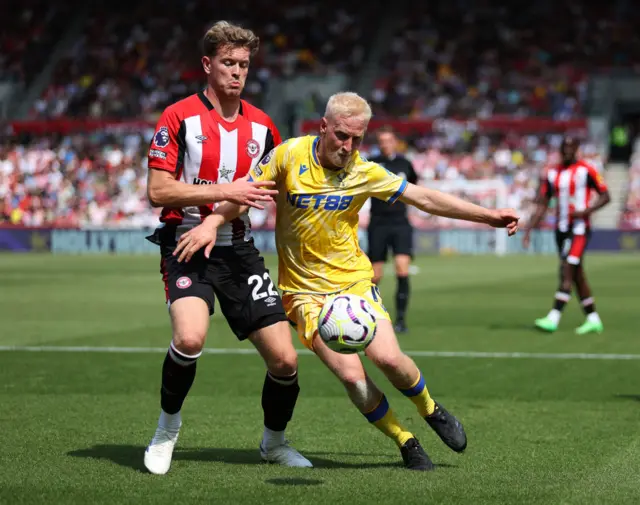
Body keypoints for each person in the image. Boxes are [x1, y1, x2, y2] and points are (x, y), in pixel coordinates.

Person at [173, 92, 519, 471]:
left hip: (353, 282)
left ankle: (430, 408)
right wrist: (211, 222)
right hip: (304, 294)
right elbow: (246, 193)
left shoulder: (364, 171)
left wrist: (488, 216)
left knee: (388, 358)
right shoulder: (289, 155)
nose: (348, 146)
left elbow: (425, 198)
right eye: (341, 136)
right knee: (353, 378)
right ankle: (405, 440)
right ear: (323, 127)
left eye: (357, 138)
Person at [143, 20, 312, 475]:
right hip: (184, 246)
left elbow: (255, 194)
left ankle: (274, 443)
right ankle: (166, 429)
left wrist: (220, 214)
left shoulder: (262, 127)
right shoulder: (178, 117)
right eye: (228, 63)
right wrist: (222, 191)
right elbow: (159, 191)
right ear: (207, 64)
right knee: (190, 337)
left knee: (285, 359)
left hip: (237, 250)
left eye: (243, 64)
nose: (237, 72)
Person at [523, 136, 610, 334]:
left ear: (577, 149)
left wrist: (586, 211)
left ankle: (554, 317)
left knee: (567, 268)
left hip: (579, 228)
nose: (567, 151)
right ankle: (593, 319)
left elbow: (606, 196)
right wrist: (529, 229)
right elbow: (543, 203)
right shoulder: (552, 173)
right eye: (564, 147)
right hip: (560, 229)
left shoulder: (587, 170)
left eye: (571, 147)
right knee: (577, 274)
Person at [367, 126, 418, 333]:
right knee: (375, 275)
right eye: (382, 141)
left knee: (402, 269)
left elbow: (414, 186)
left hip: (400, 223)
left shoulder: (405, 163)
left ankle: (401, 320)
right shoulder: (371, 163)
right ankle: (372, 318)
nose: (385, 144)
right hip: (378, 223)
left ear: (395, 142)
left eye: (389, 140)